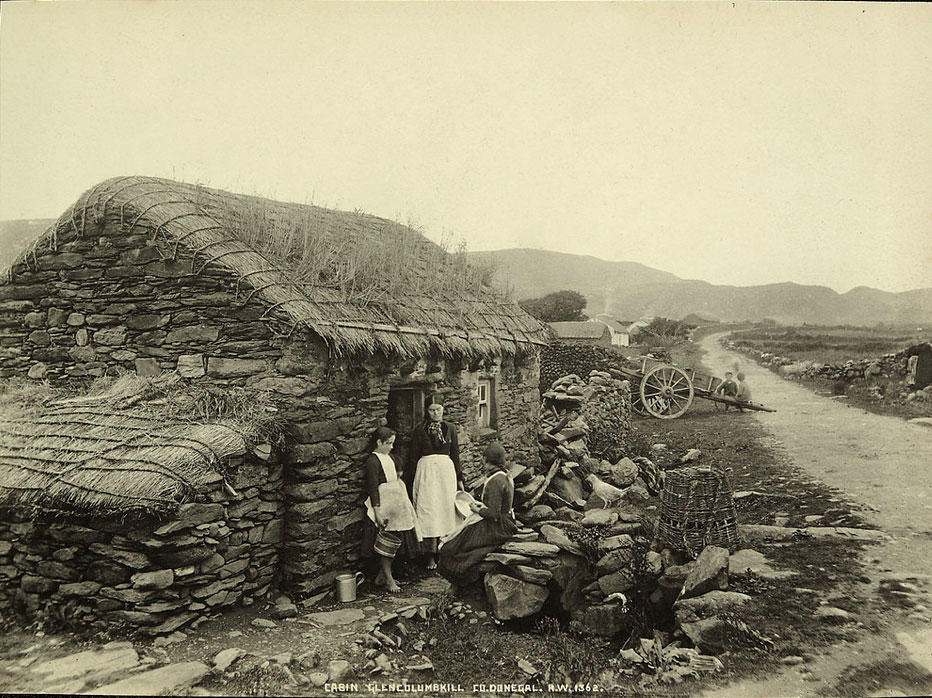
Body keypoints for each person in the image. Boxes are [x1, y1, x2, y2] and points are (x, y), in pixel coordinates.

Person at [437, 442, 518, 587]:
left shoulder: (496, 481)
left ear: (487, 460)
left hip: (497, 526)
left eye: (483, 460)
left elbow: (493, 514)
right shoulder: (504, 475)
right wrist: (482, 506)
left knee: (452, 547)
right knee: (459, 540)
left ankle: (458, 584)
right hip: (505, 521)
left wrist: (476, 509)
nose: (482, 463)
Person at [404, 396, 464, 570]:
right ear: (427, 411)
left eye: (438, 409)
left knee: (446, 509)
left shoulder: (450, 428)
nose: (435, 413)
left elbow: (455, 454)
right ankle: (429, 556)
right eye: (432, 410)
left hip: (446, 474)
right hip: (427, 473)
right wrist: (410, 479)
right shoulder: (420, 429)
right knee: (429, 509)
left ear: (443, 410)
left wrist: (460, 478)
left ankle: (445, 552)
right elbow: (413, 455)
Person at [360, 426, 420, 592]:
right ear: (379, 442)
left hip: (397, 504)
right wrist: (377, 512)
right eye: (388, 443)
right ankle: (389, 579)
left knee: (397, 541)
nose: (391, 447)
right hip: (384, 505)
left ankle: (382, 575)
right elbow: (373, 487)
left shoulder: (390, 457)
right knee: (387, 542)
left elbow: (398, 473)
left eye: (393, 443)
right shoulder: (373, 461)